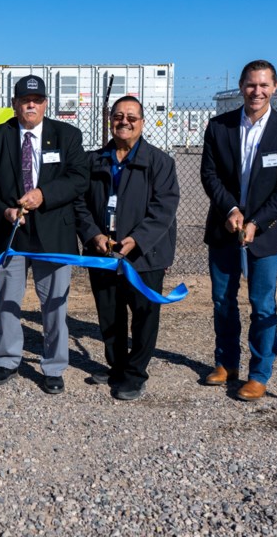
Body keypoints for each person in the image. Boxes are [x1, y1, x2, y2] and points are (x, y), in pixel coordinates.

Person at [0, 75, 88, 394]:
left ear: (45, 103)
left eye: (37, 100)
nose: (31, 105)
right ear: (14, 104)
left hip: (53, 235)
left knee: (54, 304)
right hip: (10, 234)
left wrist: (44, 195)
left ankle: (53, 366)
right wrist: (4, 211)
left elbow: (79, 178)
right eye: (25, 100)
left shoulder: (66, 135)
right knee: (7, 301)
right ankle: (7, 360)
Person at [200, 59, 277, 401]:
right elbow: (210, 175)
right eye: (250, 84)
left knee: (262, 305)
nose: (256, 91)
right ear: (241, 87)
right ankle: (226, 364)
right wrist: (230, 210)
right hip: (224, 227)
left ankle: (259, 373)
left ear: (275, 87)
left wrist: (257, 222)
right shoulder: (219, 127)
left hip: (264, 233)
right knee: (222, 300)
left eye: (263, 85)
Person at [74, 96, 179, 400]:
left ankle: (135, 373)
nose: (124, 121)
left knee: (144, 314)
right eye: (118, 116)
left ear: (142, 122)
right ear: (110, 120)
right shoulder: (93, 160)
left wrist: (138, 239)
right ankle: (116, 365)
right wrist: (93, 234)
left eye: (132, 117)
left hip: (144, 255)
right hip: (102, 252)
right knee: (109, 312)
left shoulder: (159, 162)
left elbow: (164, 208)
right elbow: (79, 204)